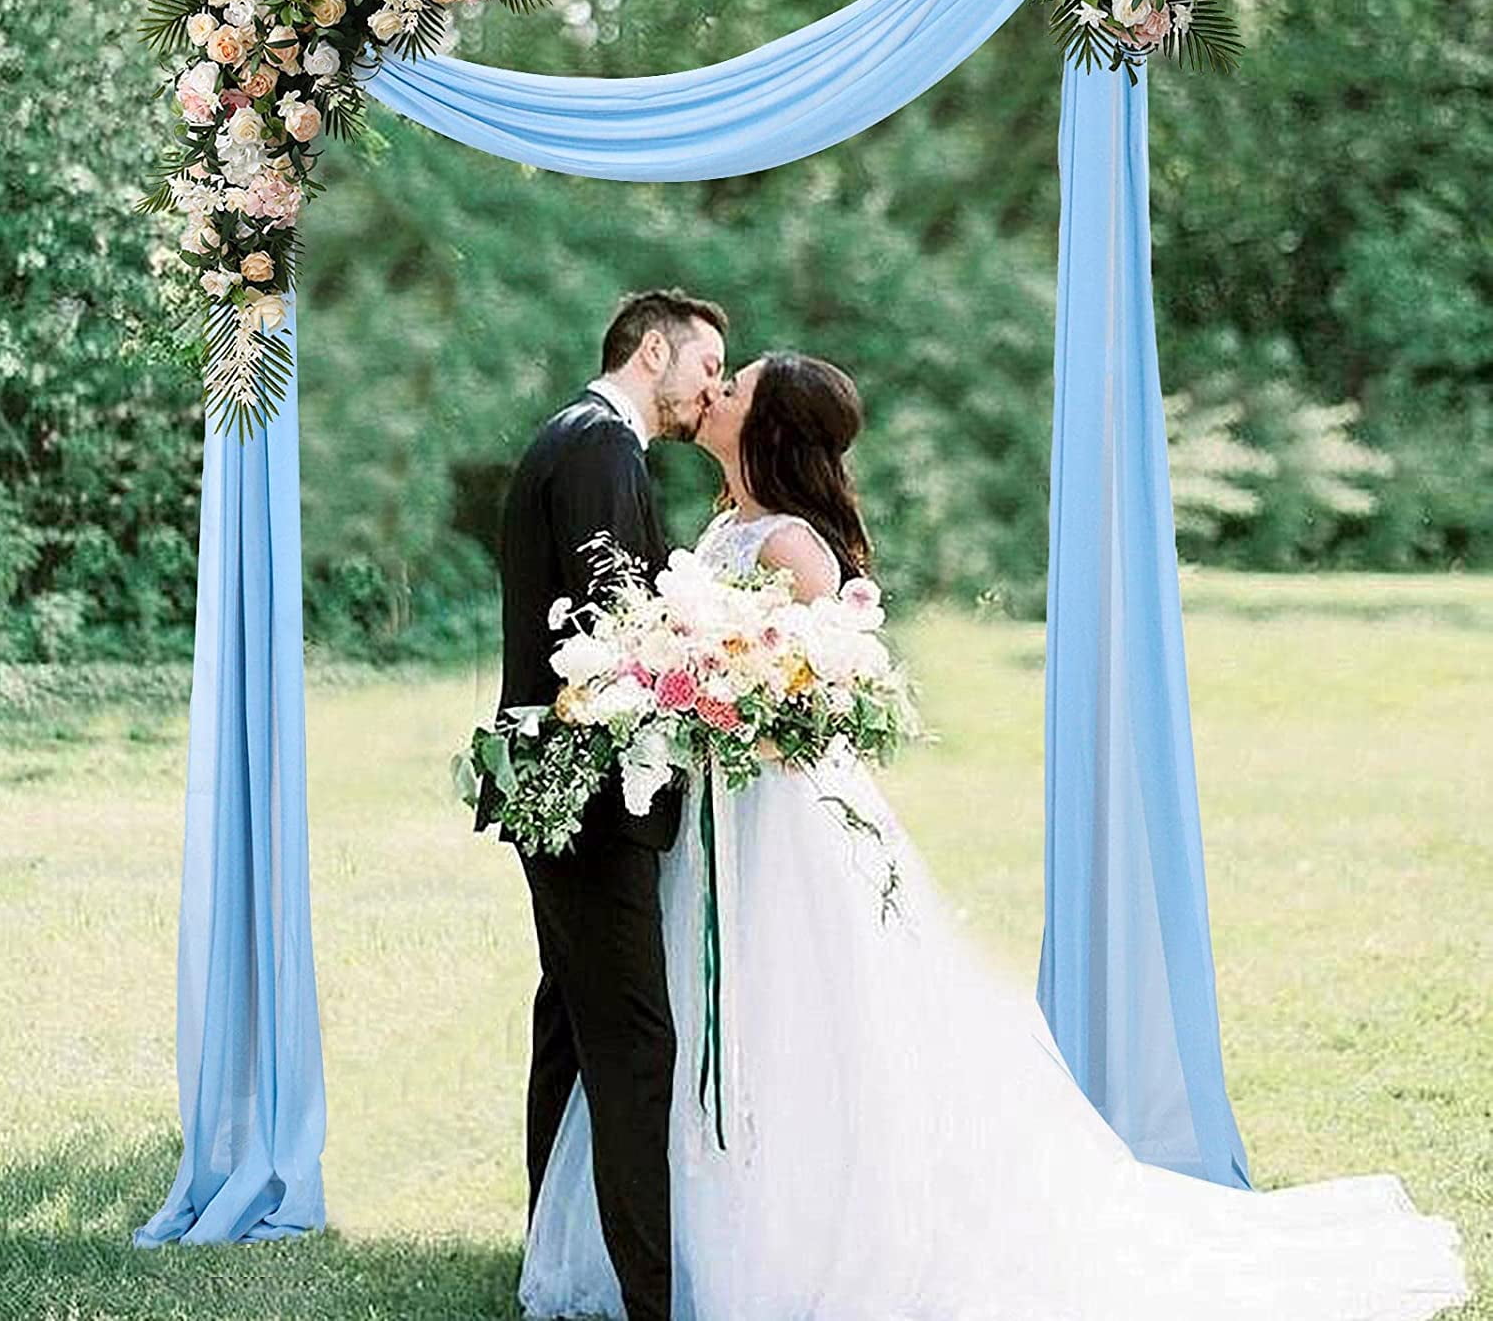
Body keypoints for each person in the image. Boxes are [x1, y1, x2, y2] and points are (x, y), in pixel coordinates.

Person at [518, 350, 1471, 1321]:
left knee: (794, 1019)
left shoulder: (793, 546)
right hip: (711, 827)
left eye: (736, 388)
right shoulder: (726, 528)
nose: (712, 394)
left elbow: (826, 699)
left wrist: (738, 706)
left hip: (780, 829)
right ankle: (677, 1237)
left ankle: (797, 1243)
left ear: (767, 428)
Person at [482, 288, 727, 1321]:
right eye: (707, 366)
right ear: (655, 349)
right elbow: (607, 622)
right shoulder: (597, 445)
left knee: (575, 1028)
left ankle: (558, 1260)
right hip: (585, 792)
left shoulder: (580, 442)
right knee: (632, 1040)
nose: (710, 390)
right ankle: (647, 1295)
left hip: (563, 785)